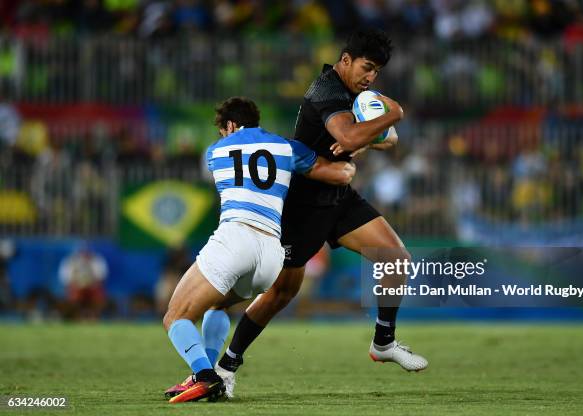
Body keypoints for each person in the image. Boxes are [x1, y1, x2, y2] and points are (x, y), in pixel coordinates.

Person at [213, 28, 428, 398]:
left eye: (377, 71)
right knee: (281, 294)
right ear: (346, 60)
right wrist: (392, 115)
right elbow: (350, 138)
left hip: (339, 197)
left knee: (395, 259)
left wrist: (370, 136)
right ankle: (226, 365)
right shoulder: (327, 90)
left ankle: (383, 342)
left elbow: (386, 139)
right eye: (367, 67)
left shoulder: (358, 95)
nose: (371, 77)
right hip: (304, 204)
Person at [162, 96, 356, 403]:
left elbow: (231, 170)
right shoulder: (286, 147)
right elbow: (339, 174)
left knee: (176, 317)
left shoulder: (215, 151)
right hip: (271, 255)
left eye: (222, 129)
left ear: (229, 125)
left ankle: (206, 377)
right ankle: (210, 372)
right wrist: (360, 145)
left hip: (236, 238)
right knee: (217, 305)